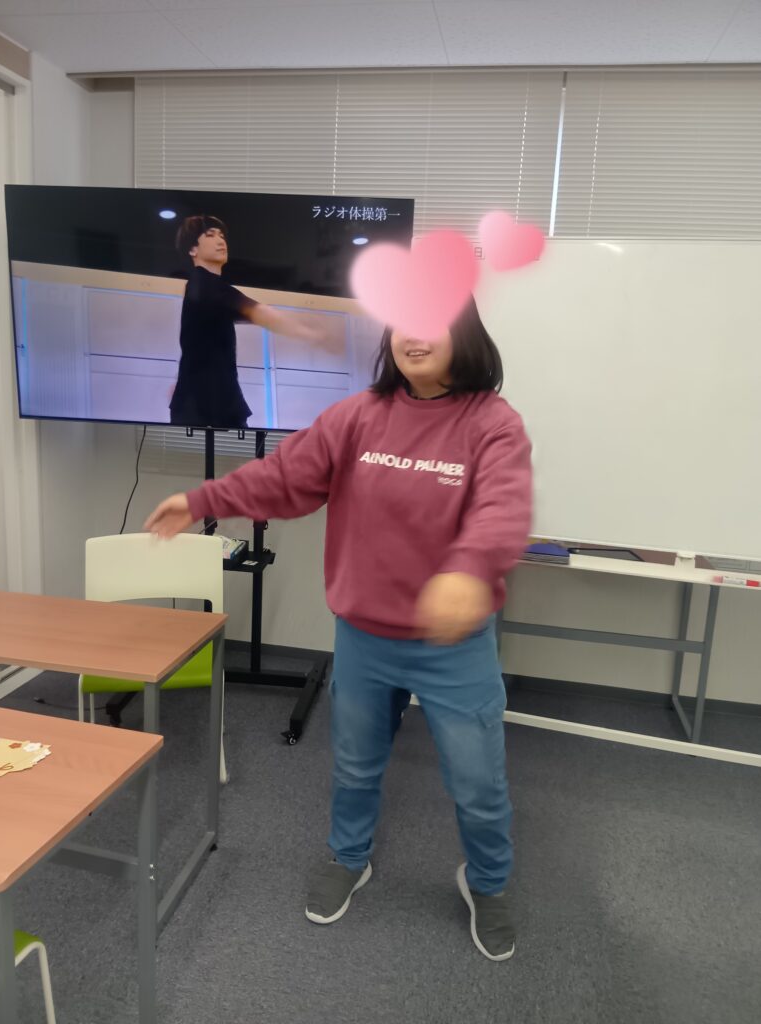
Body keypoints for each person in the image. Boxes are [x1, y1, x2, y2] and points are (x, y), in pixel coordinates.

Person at [145, 298, 533, 961]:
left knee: (478, 782)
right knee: (355, 767)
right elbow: (284, 477)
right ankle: (349, 858)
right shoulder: (358, 417)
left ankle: (486, 882)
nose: (413, 335)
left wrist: (468, 571)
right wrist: (204, 499)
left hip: (454, 648)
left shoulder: (493, 424)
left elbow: (502, 510)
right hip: (365, 637)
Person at [170, 215, 324, 429]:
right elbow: (262, 314)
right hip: (205, 407)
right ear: (192, 249)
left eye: (222, 236)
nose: (221, 241)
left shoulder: (203, 286)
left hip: (209, 401)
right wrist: (314, 334)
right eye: (210, 235)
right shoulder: (205, 285)